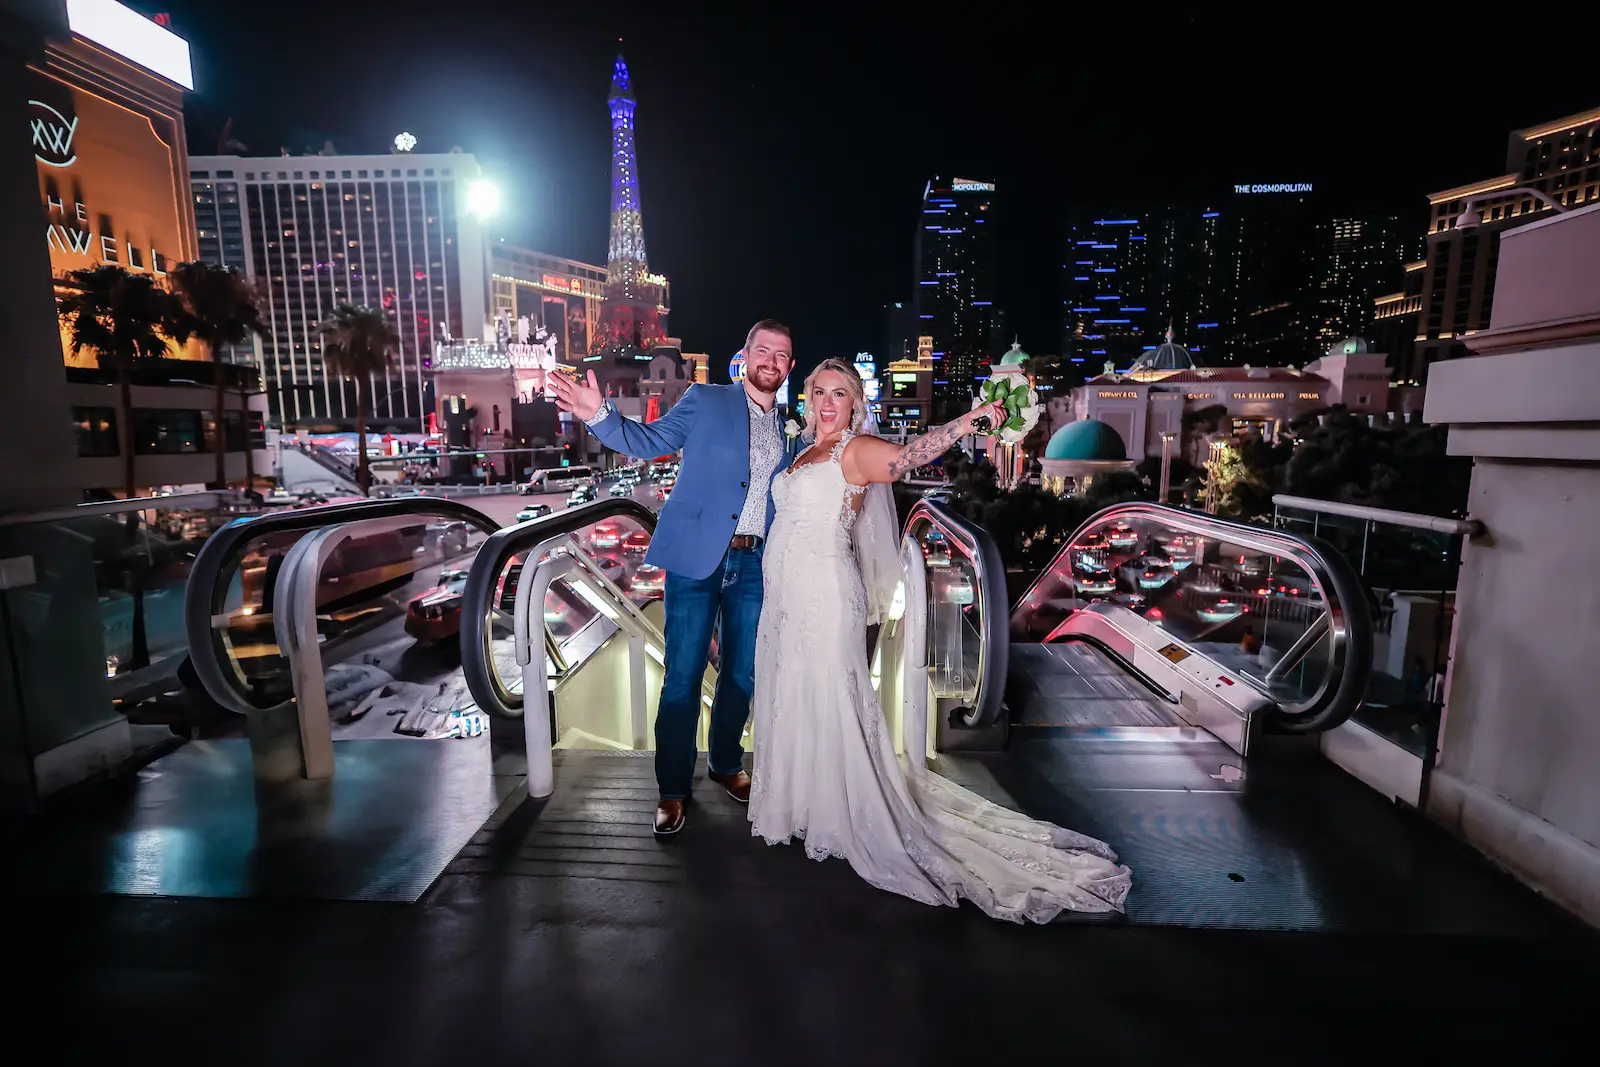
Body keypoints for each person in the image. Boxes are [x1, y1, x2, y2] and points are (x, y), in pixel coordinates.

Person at [748, 358, 1132, 922]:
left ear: (856, 403)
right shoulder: (802, 449)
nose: (828, 403)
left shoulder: (854, 451)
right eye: (819, 392)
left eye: (840, 394)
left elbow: (908, 459)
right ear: (806, 398)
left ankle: (843, 812)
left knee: (832, 696)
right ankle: (806, 803)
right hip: (786, 596)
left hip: (826, 596)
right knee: (796, 693)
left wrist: (969, 420)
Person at [550, 319, 796, 836]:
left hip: (755, 562)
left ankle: (726, 764)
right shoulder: (707, 400)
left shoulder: (789, 426)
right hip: (696, 558)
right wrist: (599, 415)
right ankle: (672, 791)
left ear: (790, 366)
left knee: (741, 674)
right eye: (763, 350)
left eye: (782, 355)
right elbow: (650, 440)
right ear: (745, 355)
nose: (771, 361)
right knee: (683, 677)